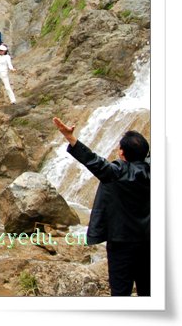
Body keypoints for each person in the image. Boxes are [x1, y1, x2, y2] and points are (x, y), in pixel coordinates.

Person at [52, 118, 150, 296]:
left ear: (122, 153)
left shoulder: (118, 173)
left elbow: (94, 161)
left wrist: (70, 138)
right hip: (149, 241)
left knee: (120, 292)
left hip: (121, 242)